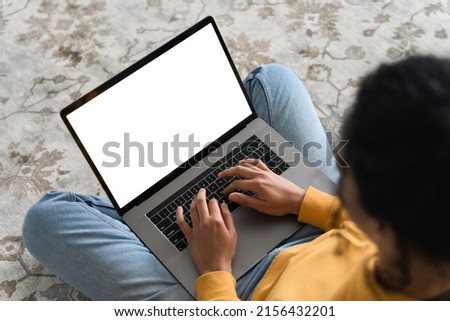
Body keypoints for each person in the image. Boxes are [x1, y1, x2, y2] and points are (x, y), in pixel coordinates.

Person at [22, 55, 450, 300]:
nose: (344, 173)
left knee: (49, 218)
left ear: (384, 219)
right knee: (272, 79)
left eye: (352, 173)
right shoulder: (425, 241)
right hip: (315, 230)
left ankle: (149, 222)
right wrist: (303, 200)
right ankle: (154, 215)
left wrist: (214, 269)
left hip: (240, 291)